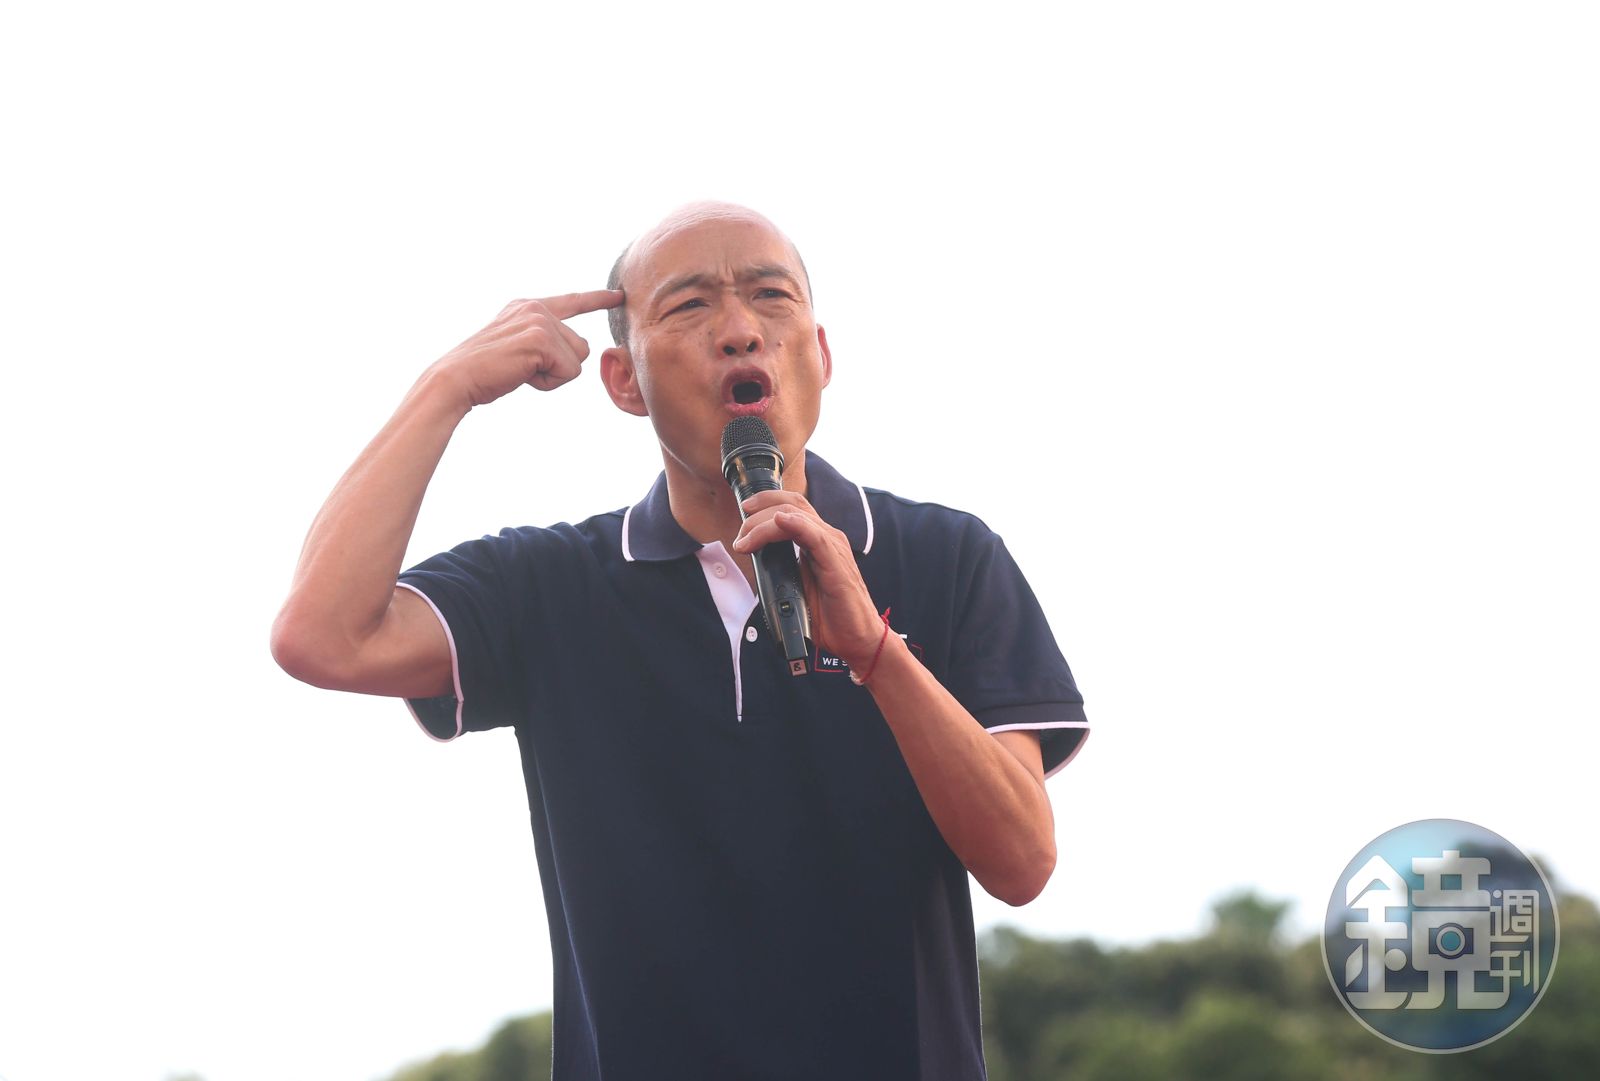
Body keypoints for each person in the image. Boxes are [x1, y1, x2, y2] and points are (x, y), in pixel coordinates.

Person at [272, 202, 1089, 1080]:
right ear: (624, 380)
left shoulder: (947, 554)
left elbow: (1023, 862)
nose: (739, 330)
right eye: (691, 305)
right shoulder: (548, 585)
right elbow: (322, 636)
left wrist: (880, 658)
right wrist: (447, 387)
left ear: (820, 354)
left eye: (771, 296)